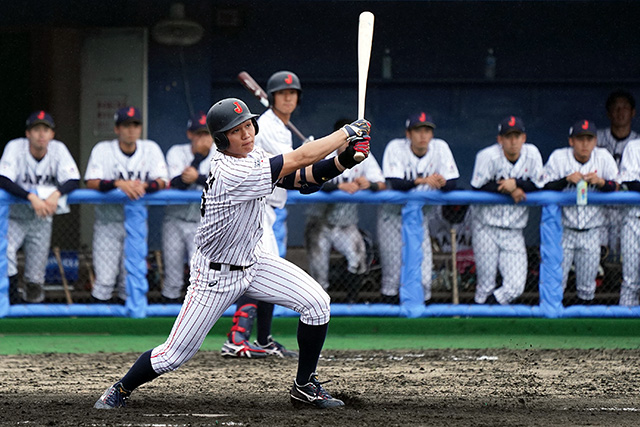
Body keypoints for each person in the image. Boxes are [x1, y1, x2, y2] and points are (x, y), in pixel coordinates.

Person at [93, 97, 371, 410]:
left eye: (248, 125)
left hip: (253, 262)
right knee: (173, 355)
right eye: (236, 131)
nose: (247, 133)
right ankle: (120, 388)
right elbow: (300, 157)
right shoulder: (231, 172)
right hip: (215, 276)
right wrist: (346, 133)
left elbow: (302, 180)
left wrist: (343, 160)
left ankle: (304, 387)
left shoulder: (255, 157)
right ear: (222, 139)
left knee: (317, 304)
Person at [220, 71, 303, 358]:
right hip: (255, 208)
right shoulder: (265, 125)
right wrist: (324, 152)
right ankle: (236, 339)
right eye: (282, 93)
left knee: (268, 272)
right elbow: (292, 165)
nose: (288, 97)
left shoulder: (280, 127)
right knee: (255, 272)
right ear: (272, 96)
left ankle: (264, 339)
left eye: (293, 93)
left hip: (269, 210)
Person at [84, 106, 168, 303]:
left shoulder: (151, 149)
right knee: (105, 280)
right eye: (126, 125)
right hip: (108, 225)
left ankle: (125, 327)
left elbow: (163, 180)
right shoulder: (103, 150)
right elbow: (91, 181)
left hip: (137, 226)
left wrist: (144, 186)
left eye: (135, 125)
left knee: (129, 281)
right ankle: (96, 327)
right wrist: (119, 184)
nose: (131, 130)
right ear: (117, 129)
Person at [378, 112, 459, 305]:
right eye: (418, 130)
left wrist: (441, 182)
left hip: (419, 220)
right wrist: (424, 180)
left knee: (423, 275)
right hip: (392, 219)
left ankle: (421, 323)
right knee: (393, 274)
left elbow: (453, 183)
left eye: (427, 130)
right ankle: (387, 323)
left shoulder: (440, 148)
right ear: (408, 134)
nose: (423, 135)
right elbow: (396, 183)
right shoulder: (395, 148)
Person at [0, 111, 80, 303]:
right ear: (28, 133)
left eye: (46, 130)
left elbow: (73, 179)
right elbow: (3, 179)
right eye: (36, 129)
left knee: (36, 275)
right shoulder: (15, 148)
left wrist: (56, 194)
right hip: (14, 217)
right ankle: (10, 303)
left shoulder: (58, 149)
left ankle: (30, 315)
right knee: (5, 252)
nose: (41, 134)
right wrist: (31, 197)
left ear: (52, 134)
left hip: (42, 219)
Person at [305, 118, 386, 303]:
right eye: (347, 136)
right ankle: (320, 306)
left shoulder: (362, 153)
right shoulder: (324, 150)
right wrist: (338, 186)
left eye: (354, 137)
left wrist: (369, 184)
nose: (350, 142)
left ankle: (351, 304)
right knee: (319, 273)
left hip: (345, 225)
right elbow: (307, 178)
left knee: (358, 259)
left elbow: (381, 184)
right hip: (319, 223)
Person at [542, 120, 618, 305]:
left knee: (587, 287)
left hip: (592, 231)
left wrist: (600, 182)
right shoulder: (559, 157)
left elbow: (618, 186)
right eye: (580, 139)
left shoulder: (603, 157)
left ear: (595, 142)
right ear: (571, 141)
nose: (585, 144)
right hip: (564, 231)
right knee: (556, 283)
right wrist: (565, 179)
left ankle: (582, 328)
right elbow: (542, 185)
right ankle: (552, 325)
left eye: (589, 139)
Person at [470, 116, 543, 305]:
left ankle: (483, 311)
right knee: (485, 284)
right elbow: (477, 187)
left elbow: (540, 185)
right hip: (485, 227)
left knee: (515, 286)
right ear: (499, 140)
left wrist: (516, 183)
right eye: (508, 136)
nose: (513, 141)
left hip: (513, 231)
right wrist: (509, 189)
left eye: (517, 136)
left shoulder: (532, 154)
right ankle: (479, 327)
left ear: (524, 138)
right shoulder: (487, 156)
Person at [161, 112, 213, 303]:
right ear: (189, 134)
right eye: (198, 134)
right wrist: (197, 159)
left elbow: (224, 182)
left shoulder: (221, 153)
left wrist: (197, 177)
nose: (202, 139)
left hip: (203, 223)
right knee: (172, 274)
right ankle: (168, 315)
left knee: (200, 273)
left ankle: (198, 314)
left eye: (206, 134)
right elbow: (176, 183)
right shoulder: (176, 151)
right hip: (174, 220)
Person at [596, 90, 638, 259]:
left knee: (627, 258)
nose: (620, 112)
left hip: (628, 209)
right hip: (600, 207)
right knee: (599, 256)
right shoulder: (594, 139)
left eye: (625, 108)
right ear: (608, 113)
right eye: (616, 108)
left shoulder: (637, 143)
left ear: (633, 113)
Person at [615, 137, 640, 306]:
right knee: (631, 281)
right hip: (634, 220)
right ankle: (625, 327)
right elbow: (630, 182)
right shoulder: (634, 146)